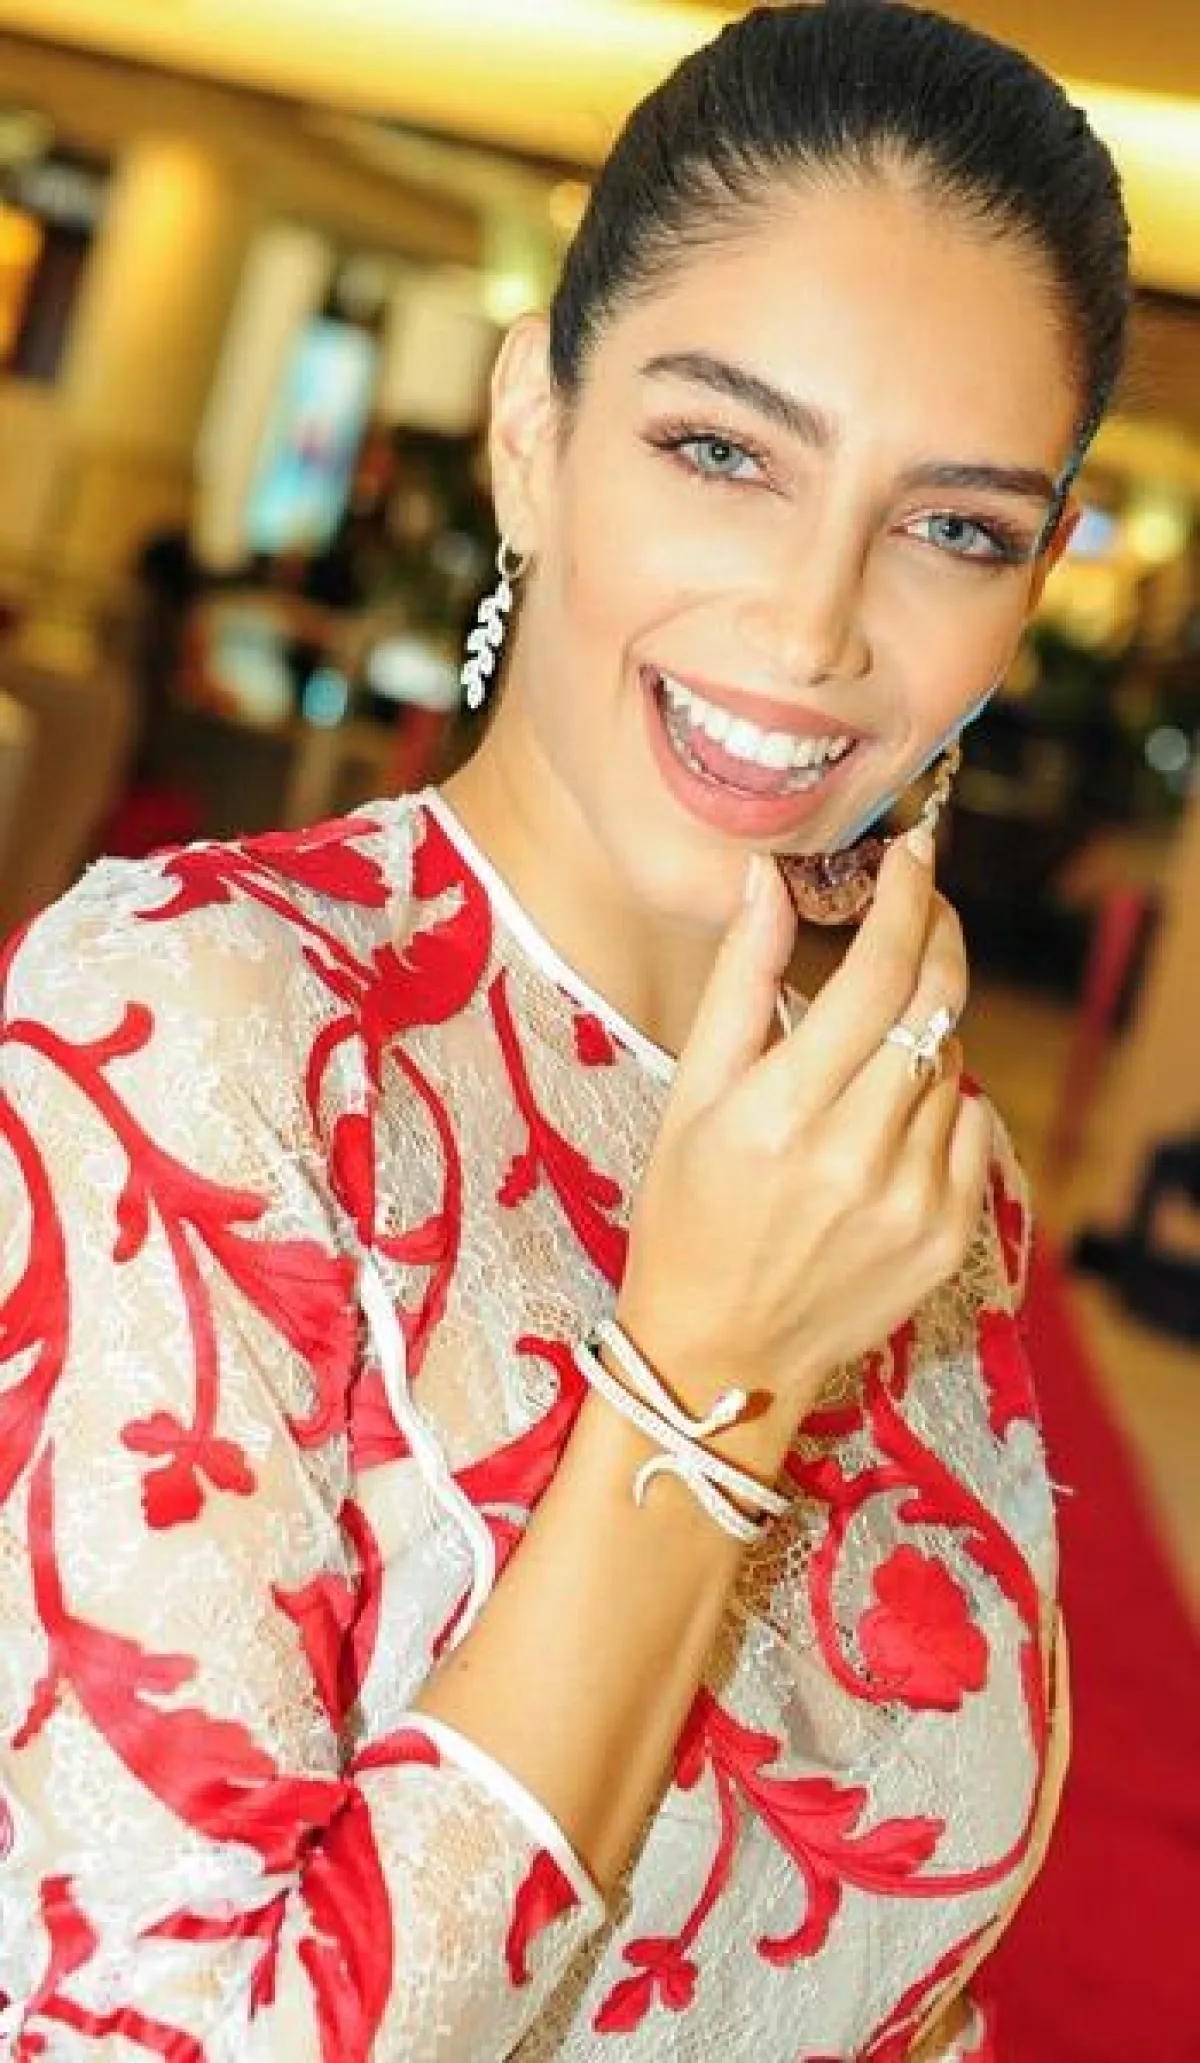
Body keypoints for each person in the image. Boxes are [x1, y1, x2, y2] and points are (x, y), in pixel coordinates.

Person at [0, 4, 1130, 2056]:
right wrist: (703, 1384)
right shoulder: (195, 1023)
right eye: (725, 451)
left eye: (953, 526)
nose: (812, 625)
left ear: (1033, 582)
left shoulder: (896, 1151)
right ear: (534, 427)